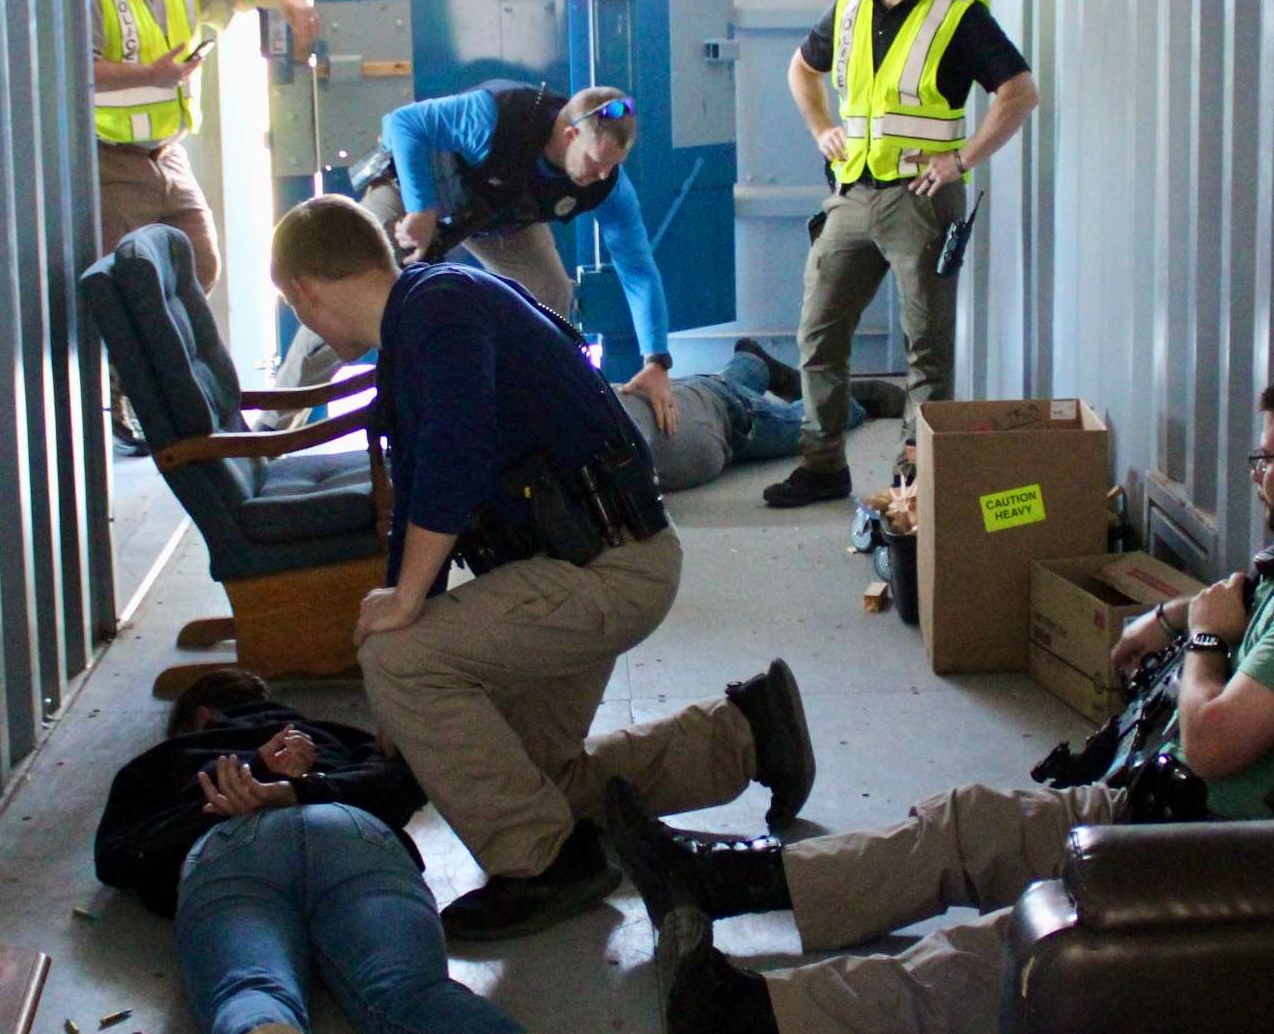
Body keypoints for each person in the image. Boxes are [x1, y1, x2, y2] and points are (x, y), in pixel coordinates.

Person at [611, 364, 1274, 1034]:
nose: (1257, 474)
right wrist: (1173, 618)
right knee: (970, 825)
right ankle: (729, 883)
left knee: (1015, 952)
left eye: (1269, 459)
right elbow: (1242, 602)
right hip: (1173, 816)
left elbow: (1215, 744)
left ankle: (748, 1013)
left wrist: (1206, 640)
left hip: (1230, 868)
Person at [269, 194, 819, 942]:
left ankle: (542, 866)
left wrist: (403, 610)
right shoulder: (425, 321)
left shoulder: (437, 306)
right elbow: (421, 493)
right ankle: (749, 734)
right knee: (522, 777)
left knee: (398, 657)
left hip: (605, 570)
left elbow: (454, 458)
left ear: (303, 291)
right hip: (591, 565)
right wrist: (406, 600)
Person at [92, 670, 594, 1034]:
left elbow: (119, 857)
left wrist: (224, 797)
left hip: (230, 847)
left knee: (252, 988)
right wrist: (305, 787)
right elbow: (405, 783)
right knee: (410, 992)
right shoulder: (332, 735)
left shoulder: (161, 761)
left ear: (196, 718)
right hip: (351, 833)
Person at [763, 0, 1041, 508]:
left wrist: (962, 159)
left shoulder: (957, 14)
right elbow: (801, 70)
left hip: (920, 200)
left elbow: (1019, 92)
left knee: (927, 349)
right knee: (818, 332)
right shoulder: (850, 7)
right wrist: (820, 129)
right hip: (853, 194)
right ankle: (822, 463)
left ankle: (915, 482)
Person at [280, 81, 681, 439]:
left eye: (613, 165)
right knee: (344, 282)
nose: (602, 175)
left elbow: (638, 268)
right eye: (596, 162)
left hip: (492, 219)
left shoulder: (606, 183)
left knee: (550, 293)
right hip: (415, 188)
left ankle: (519, 423)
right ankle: (270, 429)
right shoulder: (496, 115)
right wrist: (422, 209)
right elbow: (404, 124)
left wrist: (657, 361)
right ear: (570, 133)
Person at [92, 0, 317, 451]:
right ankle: (130, 395)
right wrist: (153, 74)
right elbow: (77, 71)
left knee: (200, 265)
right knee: (131, 283)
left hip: (167, 154)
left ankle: (174, 388)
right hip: (111, 158)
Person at [618, 339, 904, 494]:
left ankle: (854, 398)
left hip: (730, 419)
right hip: (695, 392)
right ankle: (753, 363)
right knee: (720, 384)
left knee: (808, 426)